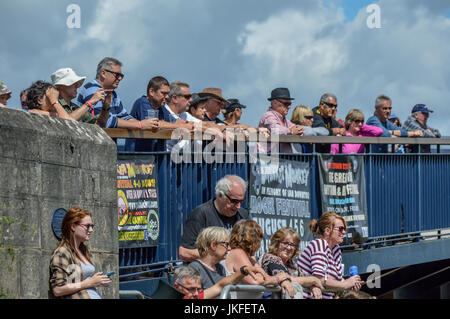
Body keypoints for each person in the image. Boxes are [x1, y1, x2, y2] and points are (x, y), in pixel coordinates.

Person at [179, 175, 249, 262]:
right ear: (220, 195)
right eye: (234, 201)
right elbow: (184, 252)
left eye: (242, 201)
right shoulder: (201, 214)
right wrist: (216, 255)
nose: (238, 206)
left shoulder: (242, 215)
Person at [76, 57, 159, 131]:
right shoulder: (92, 89)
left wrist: (147, 125)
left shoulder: (112, 93)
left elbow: (124, 117)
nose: (119, 78)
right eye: (117, 75)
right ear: (103, 73)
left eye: (121, 76)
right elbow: (105, 121)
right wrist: (140, 125)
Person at [297, 212, 364, 299]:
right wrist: (345, 284)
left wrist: (351, 284)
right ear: (327, 231)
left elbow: (337, 280)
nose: (344, 232)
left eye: (344, 229)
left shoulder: (336, 249)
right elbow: (319, 279)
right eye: (340, 229)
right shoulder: (319, 244)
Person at [222, 219, 293, 299]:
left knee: (293, 286)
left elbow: (266, 278)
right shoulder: (238, 252)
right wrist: (278, 278)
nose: (260, 241)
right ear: (252, 238)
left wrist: (281, 279)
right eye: (260, 236)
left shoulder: (250, 258)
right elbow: (255, 281)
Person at [49, 207, 111, 299]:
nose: (91, 230)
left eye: (92, 226)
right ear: (73, 226)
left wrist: (98, 280)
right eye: (87, 226)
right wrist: (90, 282)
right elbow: (58, 290)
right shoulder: (63, 252)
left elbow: (82, 281)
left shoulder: (83, 251)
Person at [259, 227, 324, 299]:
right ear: (277, 243)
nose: (289, 248)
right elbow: (283, 277)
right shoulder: (269, 258)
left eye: (292, 245)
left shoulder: (293, 265)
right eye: (285, 243)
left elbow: (304, 279)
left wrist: (313, 286)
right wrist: (313, 280)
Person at [173, 264, 263, 299]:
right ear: (177, 287)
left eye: (198, 289)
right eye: (191, 289)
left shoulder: (197, 297)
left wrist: (243, 271)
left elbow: (221, 285)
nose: (196, 294)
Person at [258, 87, 304, 153]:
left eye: (290, 104)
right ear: (275, 103)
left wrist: (299, 129)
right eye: (286, 104)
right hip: (267, 159)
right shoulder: (268, 115)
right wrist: (291, 131)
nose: (289, 107)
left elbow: (293, 127)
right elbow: (276, 130)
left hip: (277, 159)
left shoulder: (284, 118)